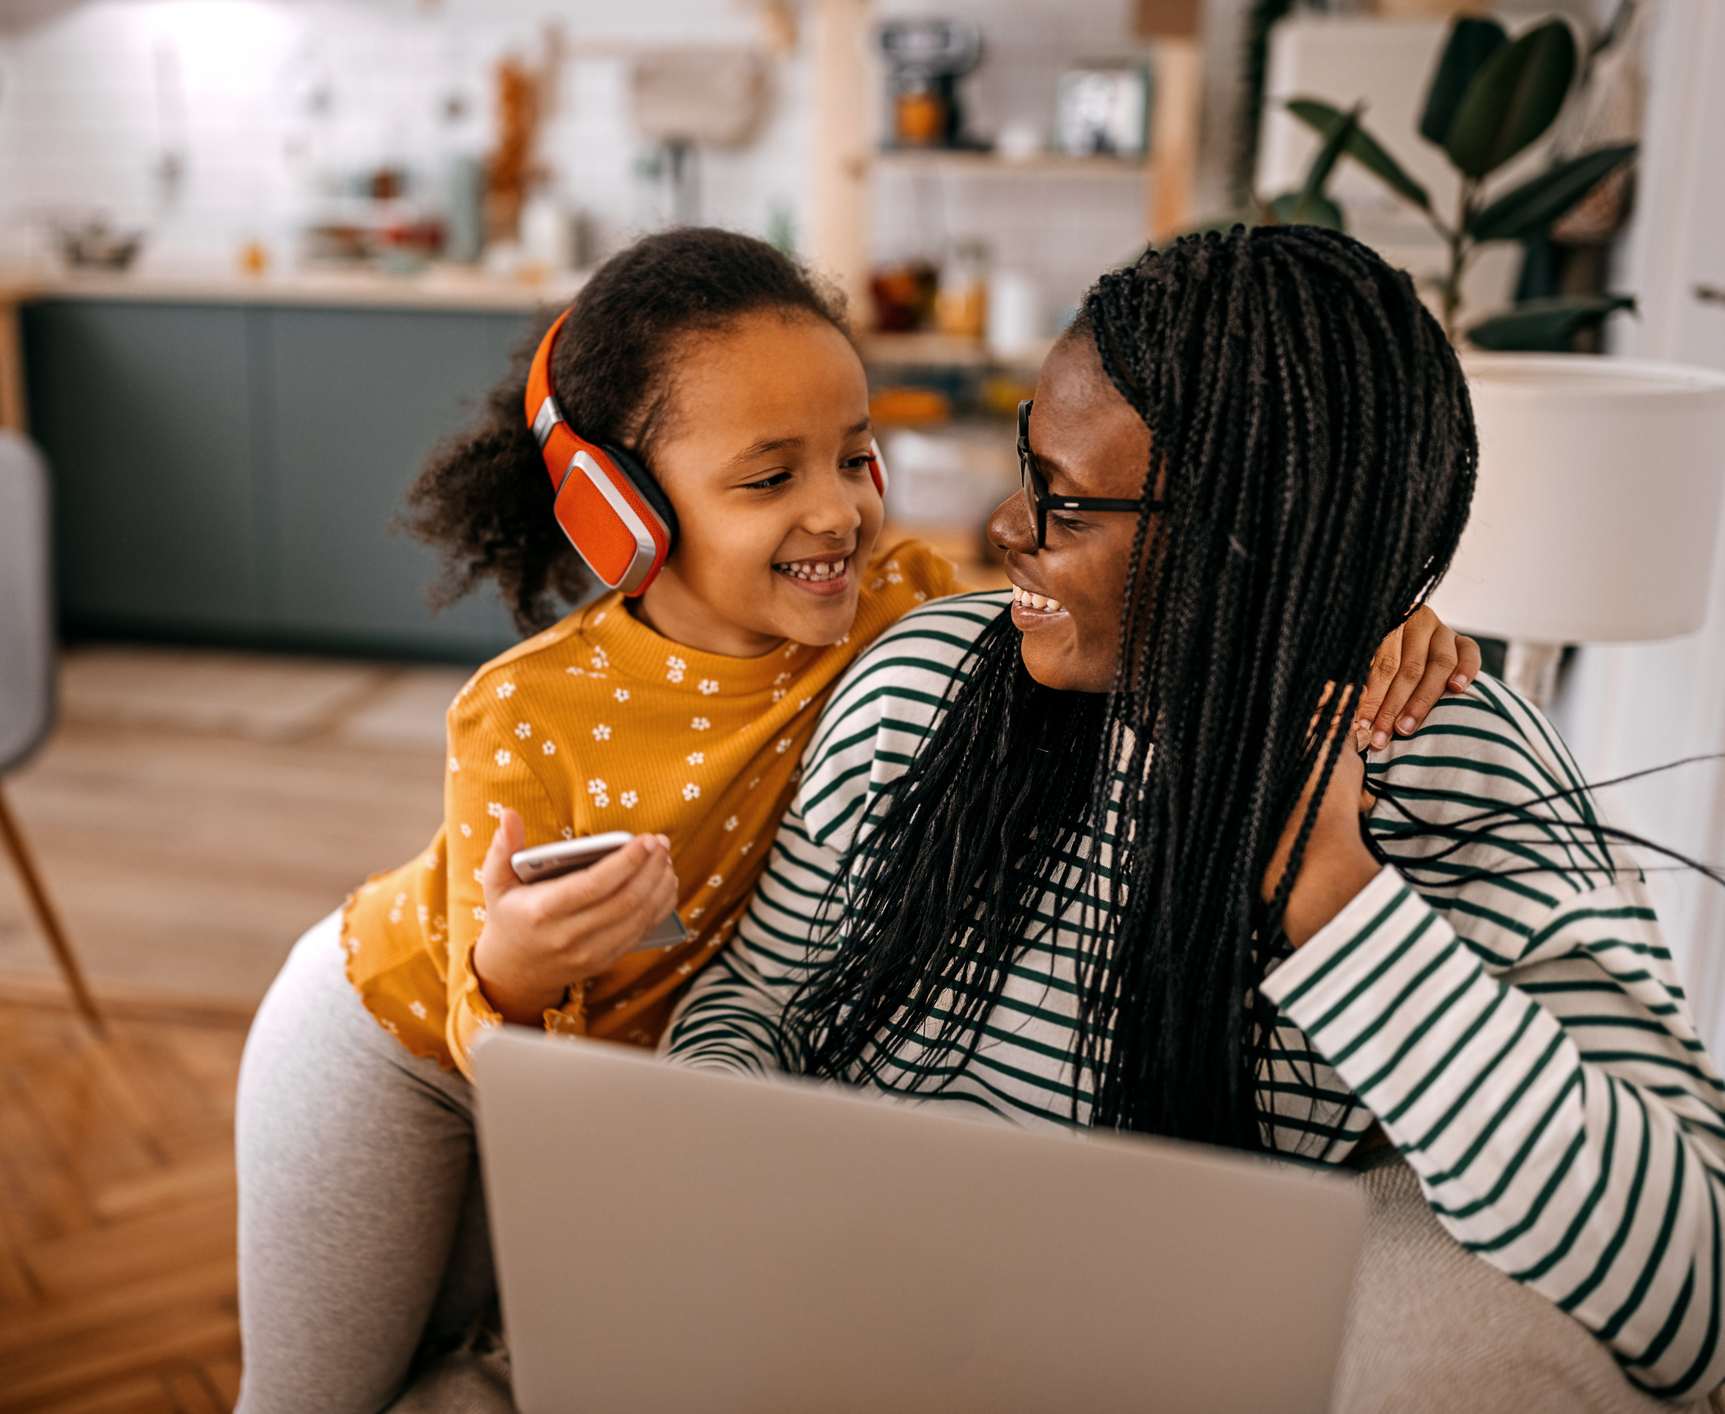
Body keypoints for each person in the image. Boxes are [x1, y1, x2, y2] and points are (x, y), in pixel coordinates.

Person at [235, 226, 1475, 1414]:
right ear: (617, 509)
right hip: (402, 1042)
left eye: (853, 454)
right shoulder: (523, 713)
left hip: (612, 1087)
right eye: (770, 477)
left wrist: (1355, 605)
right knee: (318, 1394)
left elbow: (1112, 601)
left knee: (495, 1344)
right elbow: (475, 1008)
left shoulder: (903, 607)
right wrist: (514, 964)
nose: (835, 510)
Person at [662, 225, 1725, 1404]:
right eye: (1031, 471)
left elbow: (1696, 1295)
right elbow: (763, 1000)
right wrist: (712, 1189)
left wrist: (1335, 898)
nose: (1005, 531)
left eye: (1064, 505)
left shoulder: (1455, 773)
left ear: (1240, 543)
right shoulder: (922, 681)